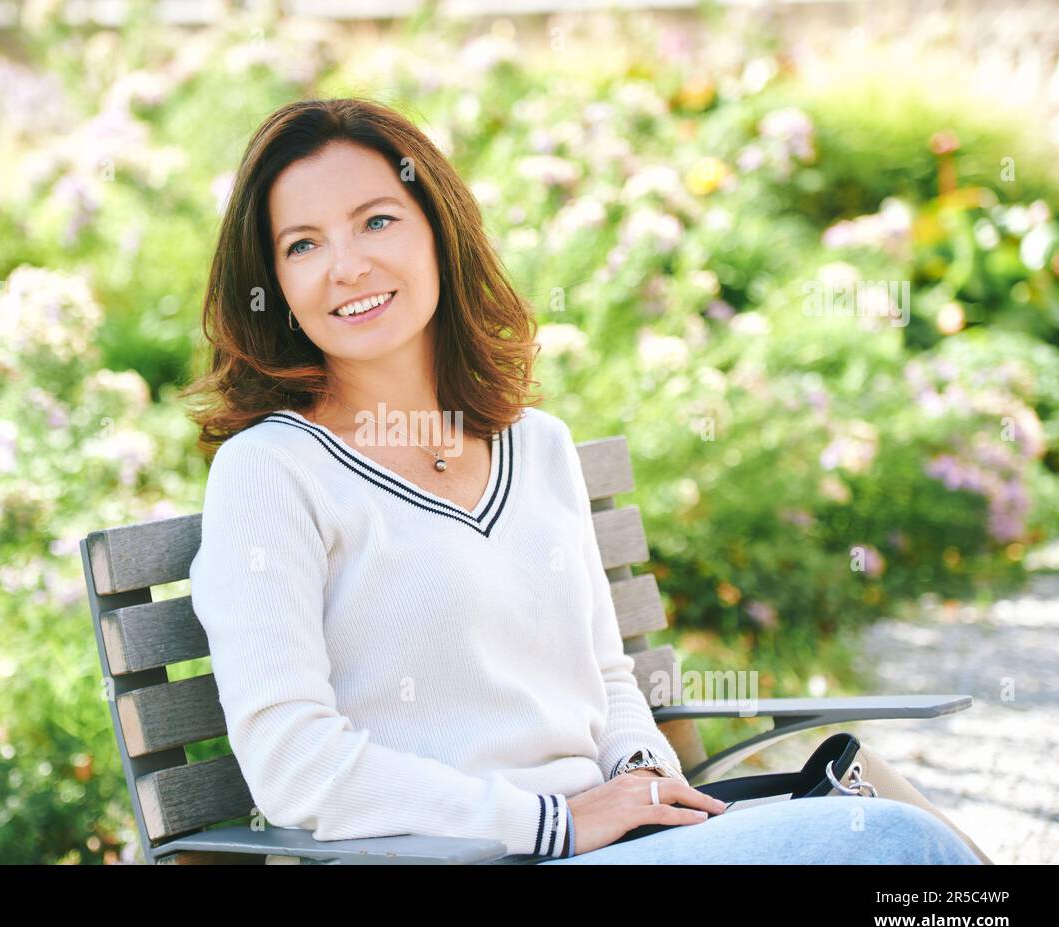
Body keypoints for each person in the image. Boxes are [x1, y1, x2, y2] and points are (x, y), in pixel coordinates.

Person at [182, 97, 980, 864]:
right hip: (465, 855)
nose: (347, 266)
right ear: (275, 285)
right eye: (303, 245)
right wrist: (551, 822)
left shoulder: (538, 446)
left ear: (439, 232)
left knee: (892, 817)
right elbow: (295, 765)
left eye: (377, 220)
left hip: (622, 841)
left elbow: (604, 675)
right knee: (893, 847)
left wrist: (639, 771)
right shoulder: (273, 471)